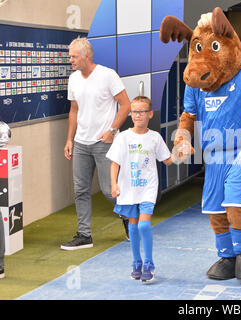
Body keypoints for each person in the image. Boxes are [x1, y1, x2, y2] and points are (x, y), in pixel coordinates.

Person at [61, 37, 131, 250]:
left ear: (86, 56)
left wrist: (111, 131)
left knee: (110, 190)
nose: (70, 60)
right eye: (70, 56)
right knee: (80, 190)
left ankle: (130, 218)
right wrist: (69, 140)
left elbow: (126, 105)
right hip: (81, 143)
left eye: (74, 56)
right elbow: (74, 110)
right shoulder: (73, 79)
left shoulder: (107, 75)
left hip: (104, 142)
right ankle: (84, 235)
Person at [107, 96, 173, 283]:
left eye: (142, 112)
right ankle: (136, 262)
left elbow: (167, 160)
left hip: (148, 189)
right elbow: (114, 164)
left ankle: (149, 263)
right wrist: (114, 184)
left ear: (150, 114)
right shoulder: (122, 138)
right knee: (133, 227)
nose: (138, 115)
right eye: (135, 111)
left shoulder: (155, 137)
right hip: (128, 189)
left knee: (144, 225)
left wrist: (180, 152)